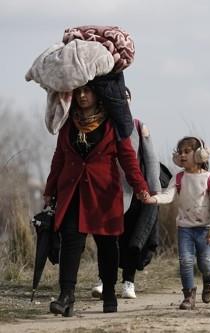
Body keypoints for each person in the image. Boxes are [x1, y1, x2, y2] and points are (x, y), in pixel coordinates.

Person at [44, 84, 150, 316]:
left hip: (104, 194)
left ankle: (109, 292)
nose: (82, 95)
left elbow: (128, 158)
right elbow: (59, 158)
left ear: (98, 94)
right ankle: (66, 296)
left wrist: (140, 186)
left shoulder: (113, 124)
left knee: (107, 245)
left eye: (88, 91)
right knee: (70, 241)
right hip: (72, 192)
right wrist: (49, 189)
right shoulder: (67, 123)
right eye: (79, 91)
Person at [91, 87, 161, 300]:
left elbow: (150, 160)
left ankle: (128, 282)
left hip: (135, 192)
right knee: (108, 241)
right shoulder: (100, 125)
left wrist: (153, 191)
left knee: (132, 240)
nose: (122, 101)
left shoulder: (138, 126)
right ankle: (104, 280)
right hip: (106, 193)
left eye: (126, 98)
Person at [144, 137, 210, 310]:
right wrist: (153, 199)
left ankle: (209, 281)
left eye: (187, 151)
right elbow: (168, 196)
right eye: (180, 152)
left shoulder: (209, 179)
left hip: (205, 229)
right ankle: (189, 296)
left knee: (206, 263)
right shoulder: (178, 178)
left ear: (200, 154)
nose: (183, 155)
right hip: (185, 229)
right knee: (186, 261)